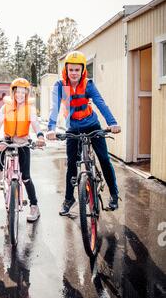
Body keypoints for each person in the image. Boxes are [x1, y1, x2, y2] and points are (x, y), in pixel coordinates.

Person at [46, 51, 121, 215]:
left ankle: (114, 195)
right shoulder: (61, 86)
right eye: (71, 70)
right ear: (66, 70)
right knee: (72, 163)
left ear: (82, 71)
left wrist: (112, 123)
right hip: (73, 127)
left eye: (77, 70)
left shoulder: (88, 84)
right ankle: (69, 199)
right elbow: (55, 108)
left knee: (104, 159)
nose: (74, 73)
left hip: (92, 125)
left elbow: (101, 103)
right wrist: (51, 128)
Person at [0, 78, 45, 222]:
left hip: (23, 142)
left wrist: (40, 136)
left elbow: (36, 124)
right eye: (17, 92)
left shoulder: (29, 108)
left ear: (26, 93)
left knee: (25, 177)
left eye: (22, 92)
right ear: (13, 92)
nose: (19, 95)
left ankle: (34, 206)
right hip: (9, 139)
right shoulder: (5, 107)